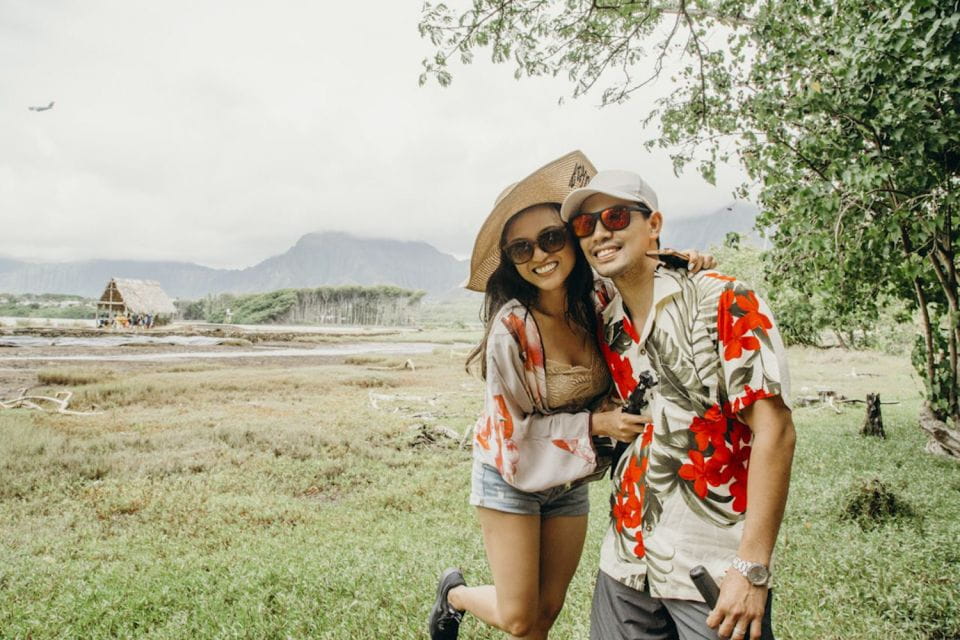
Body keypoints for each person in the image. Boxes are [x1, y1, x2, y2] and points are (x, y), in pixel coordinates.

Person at [428, 152, 715, 640]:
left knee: (546, 613)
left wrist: (679, 260)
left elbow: (640, 272)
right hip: (509, 473)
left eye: (551, 238)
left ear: (572, 238)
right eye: (521, 249)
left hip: (567, 473)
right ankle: (454, 595)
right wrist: (596, 425)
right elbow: (513, 433)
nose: (540, 256)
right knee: (520, 618)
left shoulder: (599, 299)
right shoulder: (511, 330)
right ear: (511, 261)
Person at [559, 170, 796, 640]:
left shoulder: (724, 299)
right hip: (626, 560)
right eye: (585, 225)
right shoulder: (607, 322)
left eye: (616, 217)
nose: (600, 232)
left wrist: (751, 569)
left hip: (711, 565)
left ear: (654, 224)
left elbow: (776, 431)